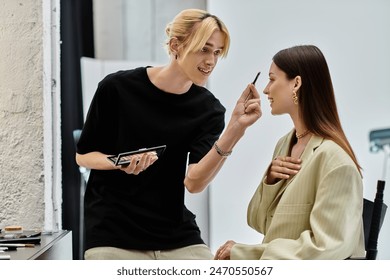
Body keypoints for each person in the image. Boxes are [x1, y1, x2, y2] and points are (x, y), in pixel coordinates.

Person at [76, 8, 261, 260]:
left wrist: (235, 129)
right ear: (176, 45)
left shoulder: (208, 109)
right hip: (113, 233)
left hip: (176, 234)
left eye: (217, 53)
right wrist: (120, 163)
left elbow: (194, 183)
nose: (211, 61)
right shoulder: (116, 88)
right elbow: (84, 155)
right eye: (204, 49)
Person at [215, 45, 365, 260]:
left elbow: (327, 248)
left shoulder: (335, 161)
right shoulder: (285, 144)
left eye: (272, 79)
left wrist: (244, 254)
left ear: (296, 83)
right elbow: (258, 221)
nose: (266, 89)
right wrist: (270, 180)